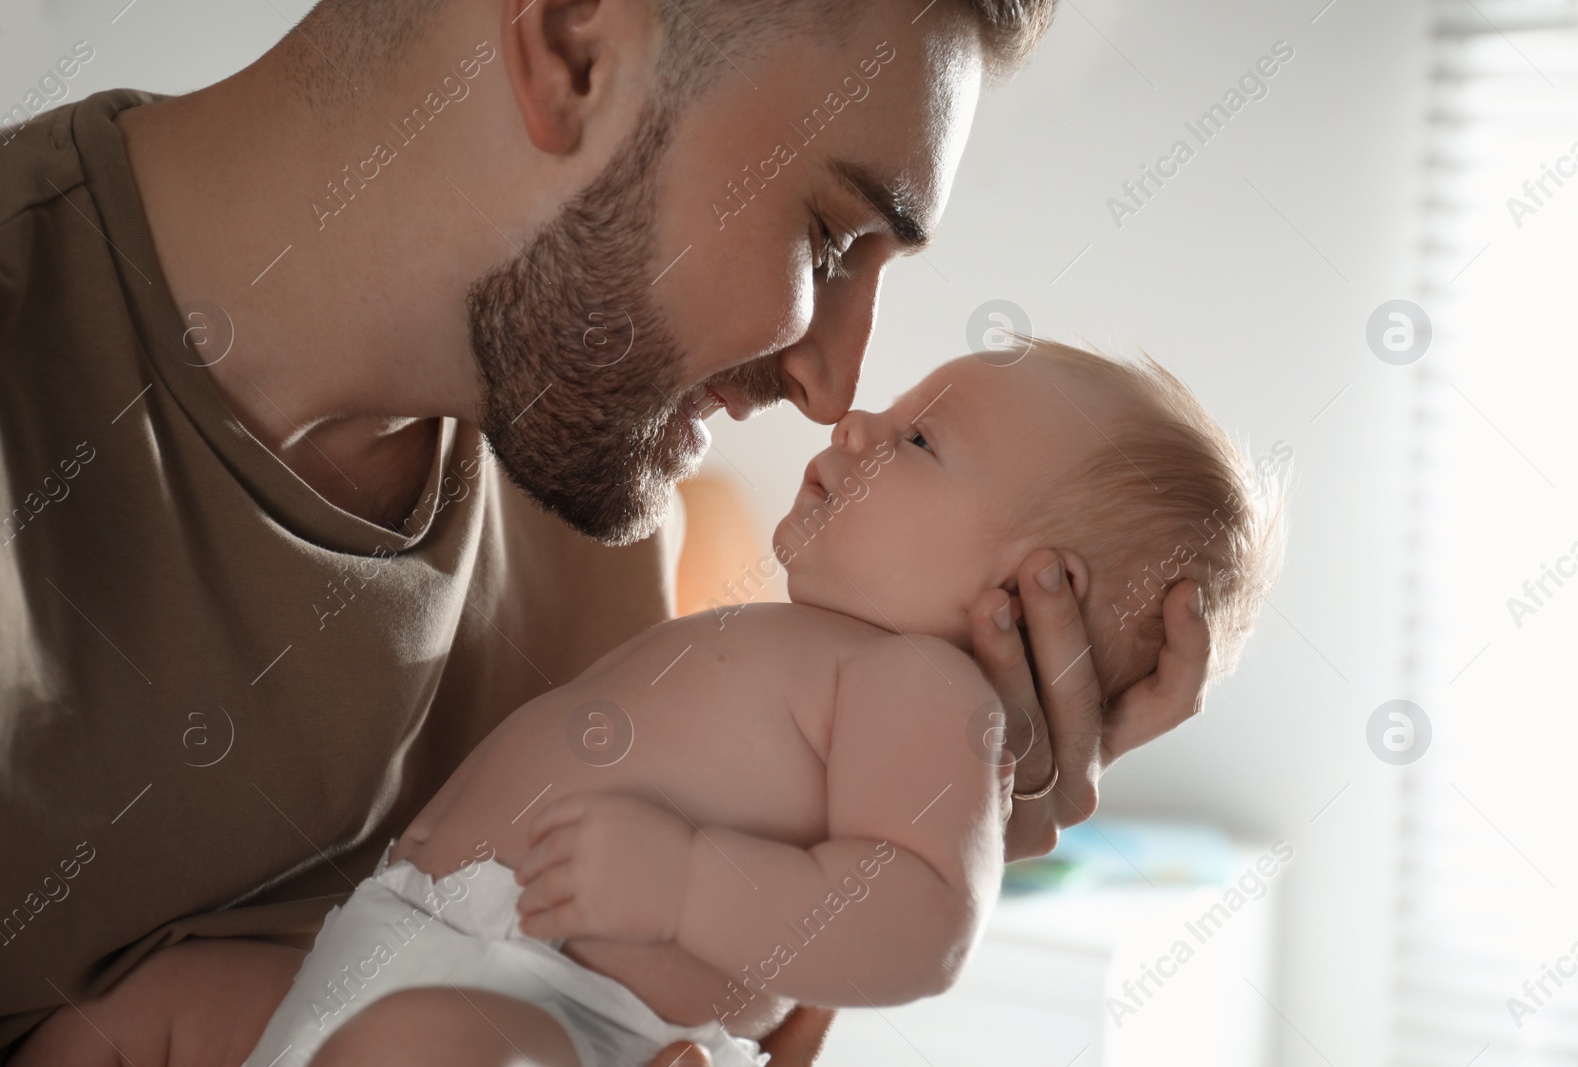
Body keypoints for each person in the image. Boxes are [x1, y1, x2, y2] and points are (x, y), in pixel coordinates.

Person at [0, 1, 1214, 1063]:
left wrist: (938, 816)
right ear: (574, 46)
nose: (836, 389)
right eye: (830, 235)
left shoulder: (590, 450)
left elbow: (662, 992)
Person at [16, 343, 1277, 1067]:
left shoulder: (926, 687)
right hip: (392, 948)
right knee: (147, 1012)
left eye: (917, 445)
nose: (850, 421)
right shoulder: (816, 648)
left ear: (1026, 589)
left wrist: (680, 883)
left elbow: (919, 920)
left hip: (551, 1013)